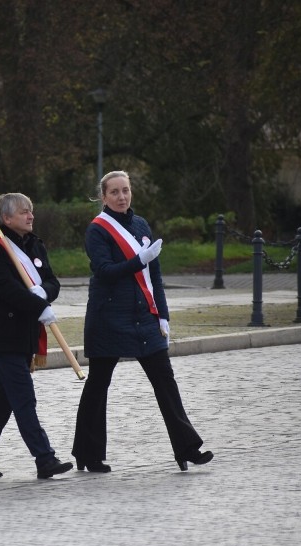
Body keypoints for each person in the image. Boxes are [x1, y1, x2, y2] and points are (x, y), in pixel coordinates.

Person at [72, 170, 213, 472]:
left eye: (126, 190)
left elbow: (155, 276)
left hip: (144, 317)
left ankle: (187, 448)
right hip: (108, 318)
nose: (121, 197)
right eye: (114, 192)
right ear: (103, 197)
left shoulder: (140, 225)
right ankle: (88, 453)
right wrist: (139, 260)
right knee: (99, 385)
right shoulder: (97, 230)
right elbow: (105, 270)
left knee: (165, 381)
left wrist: (163, 314)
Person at [0, 193, 73, 480]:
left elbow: (52, 280)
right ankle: (44, 458)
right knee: (24, 398)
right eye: (25, 212)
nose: (31, 216)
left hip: (28, 330)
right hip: (6, 332)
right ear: (6, 218)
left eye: (31, 211)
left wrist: (44, 293)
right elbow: (4, 288)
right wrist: (39, 305)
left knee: (2, 400)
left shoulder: (34, 244)